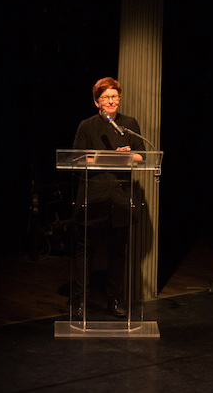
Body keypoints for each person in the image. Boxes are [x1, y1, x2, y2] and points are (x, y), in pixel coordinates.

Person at [71, 77, 144, 320]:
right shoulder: (86, 126)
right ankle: (81, 303)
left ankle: (114, 301)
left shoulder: (129, 125)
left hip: (121, 197)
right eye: (106, 97)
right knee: (85, 251)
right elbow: (78, 160)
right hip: (93, 197)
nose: (111, 101)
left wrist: (129, 155)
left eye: (115, 96)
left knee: (117, 252)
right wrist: (108, 157)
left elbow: (142, 158)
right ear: (96, 102)